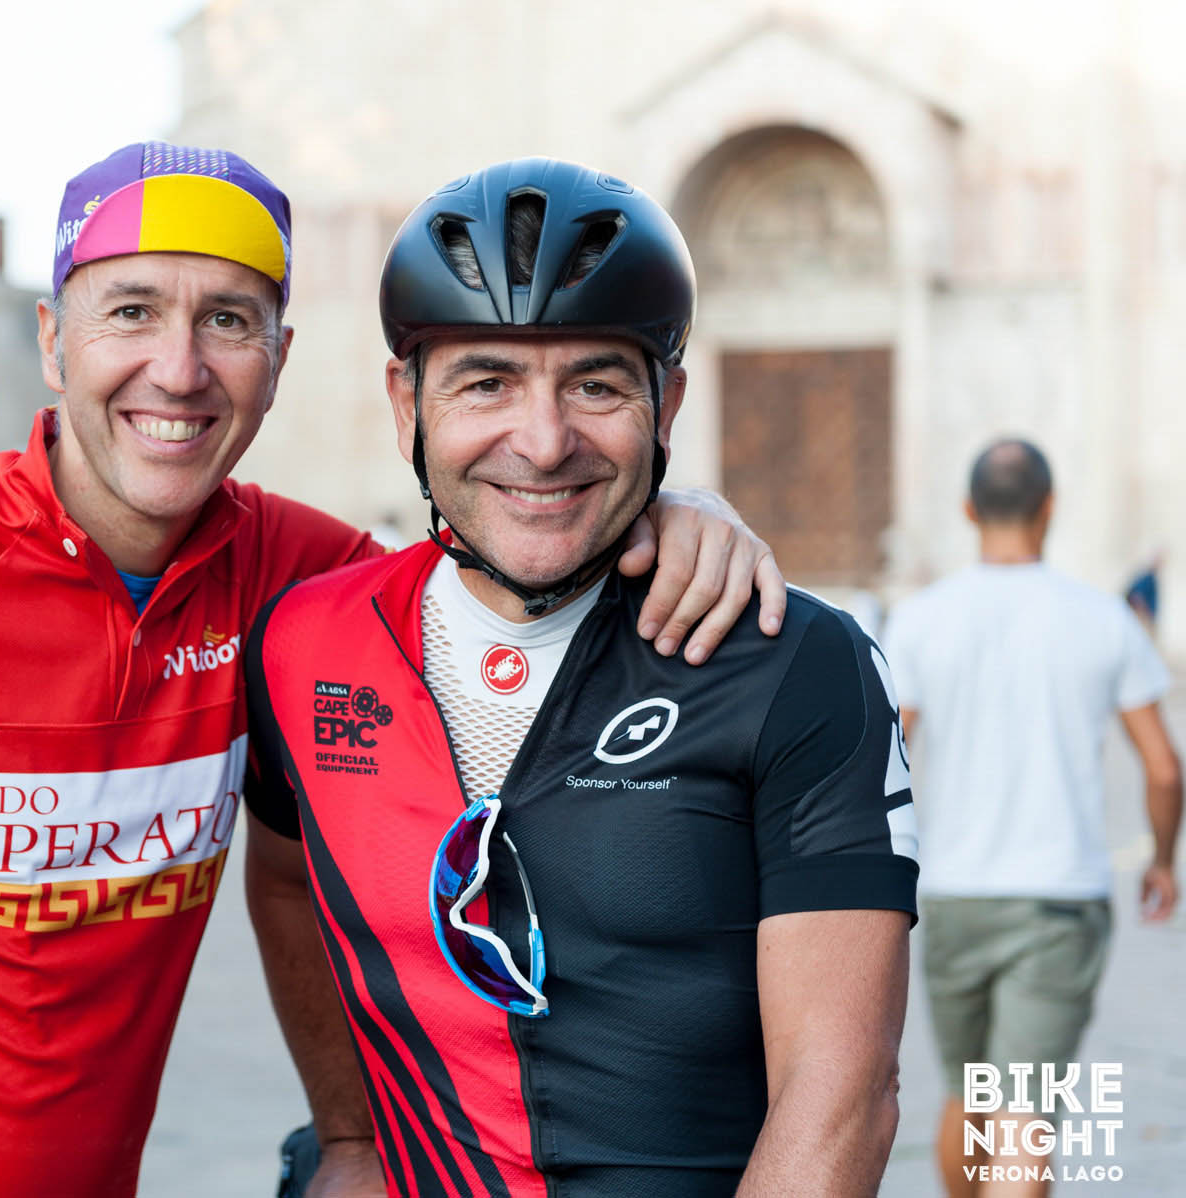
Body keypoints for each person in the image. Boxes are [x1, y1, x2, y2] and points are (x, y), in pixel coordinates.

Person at [0, 142, 786, 1198]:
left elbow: (518, 542)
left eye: (228, 320)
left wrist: (679, 510)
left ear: (278, 360)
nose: (178, 370)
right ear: (51, 341)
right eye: (131, 311)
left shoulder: (304, 580)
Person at [244, 158, 921, 1196]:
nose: (544, 441)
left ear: (667, 403)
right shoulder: (302, 643)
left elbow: (841, 1097)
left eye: (596, 385)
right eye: (486, 383)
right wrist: (348, 1138)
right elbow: (291, 875)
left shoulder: (795, 660)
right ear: (405, 402)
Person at [882, 439, 1181, 1198]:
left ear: (968, 510)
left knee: (967, 1094)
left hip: (952, 892)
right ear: (1050, 507)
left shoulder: (920, 620)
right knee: (1022, 1113)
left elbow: (887, 757)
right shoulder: (1104, 618)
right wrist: (1161, 862)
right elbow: (1163, 768)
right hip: (1058, 899)